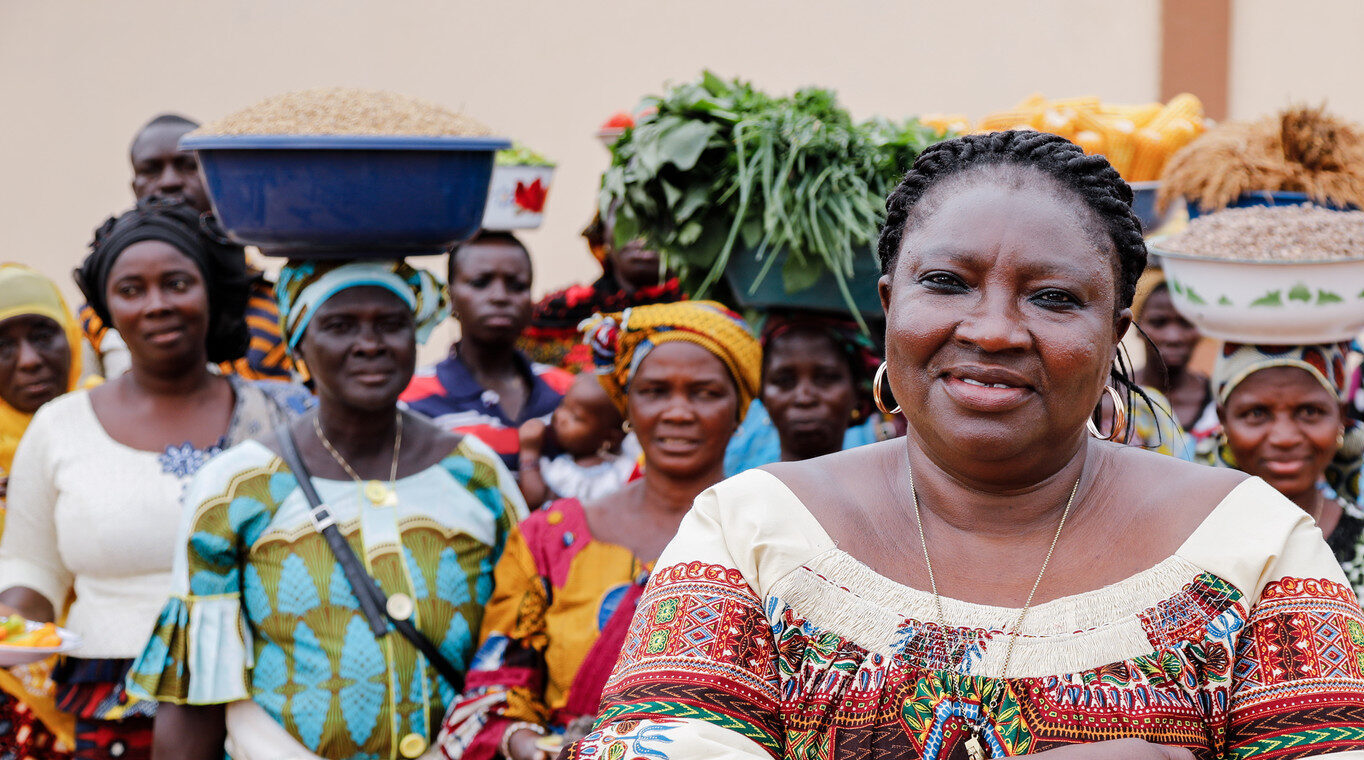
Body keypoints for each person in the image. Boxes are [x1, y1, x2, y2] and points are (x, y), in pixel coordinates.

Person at [566, 132, 1364, 760]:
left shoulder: (1250, 547)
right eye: (946, 283)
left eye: (1053, 298)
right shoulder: (752, 533)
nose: (990, 330)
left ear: (1114, 333)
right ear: (889, 305)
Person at [129, 260, 528, 760]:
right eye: (339, 326)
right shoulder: (237, 487)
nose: (370, 344)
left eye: (390, 324)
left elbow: (525, 644)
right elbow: (195, 698)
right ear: (297, 346)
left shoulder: (476, 473)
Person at [0, 200, 310, 759]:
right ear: (106, 308)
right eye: (132, 290)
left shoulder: (276, 419)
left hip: (263, 697)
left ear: (212, 291)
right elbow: (32, 570)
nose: (157, 305)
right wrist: (11, 625)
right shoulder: (60, 427)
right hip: (111, 699)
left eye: (176, 283)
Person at [437, 301, 761, 760]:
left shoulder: (773, 537)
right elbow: (492, 696)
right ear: (626, 405)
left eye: (705, 393)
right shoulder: (550, 539)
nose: (678, 412)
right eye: (654, 391)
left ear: (740, 407)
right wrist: (538, 747)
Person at [80, 113, 294, 382]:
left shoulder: (281, 303)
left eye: (188, 165)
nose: (169, 181)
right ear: (135, 187)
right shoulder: (98, 314)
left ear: (219, 181)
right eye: (151, 169)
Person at [1198, 342, 1364, 598]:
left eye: (1310, 411)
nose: (1284, 438)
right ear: (1223, 420)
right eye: (1256, 412)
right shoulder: (1190, 546)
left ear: (1340, 417)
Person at [0, 265, 85, 758]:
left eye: (42, 335)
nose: (29, 361)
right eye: (3, 345)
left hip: (115, 682)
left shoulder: (116, 424)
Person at [402, 232, 572, 473]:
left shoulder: (567, 392)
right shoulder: (411, 399)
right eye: (481, 283)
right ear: (450, 297)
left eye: (516, 285)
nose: (500, 296)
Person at [518, 208, 685, 372]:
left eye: (657, 221)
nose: (641, 237)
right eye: (625, 217)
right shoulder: (556, 313)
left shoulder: (702, 310)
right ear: (603, 234)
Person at [726, 312, 887, 472]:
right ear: (760, 392)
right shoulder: (735, 494)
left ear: (858, 389)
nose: (804, 398)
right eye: (784, 381)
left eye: (826, 378)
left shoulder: (890, 492)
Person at [516, 373, 638, 509]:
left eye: (575, 417)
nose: (559, 416)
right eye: (562, 405)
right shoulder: (560, 465)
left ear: (610, 438)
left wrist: (529, 451)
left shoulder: (621, 471)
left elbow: (535, 500)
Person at [1132, 269, 1211, 433]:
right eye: (1158, 322)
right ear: (1136, 326)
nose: (1174, 337)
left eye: (1186, 323)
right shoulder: (1110, 396)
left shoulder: (1220, 400)